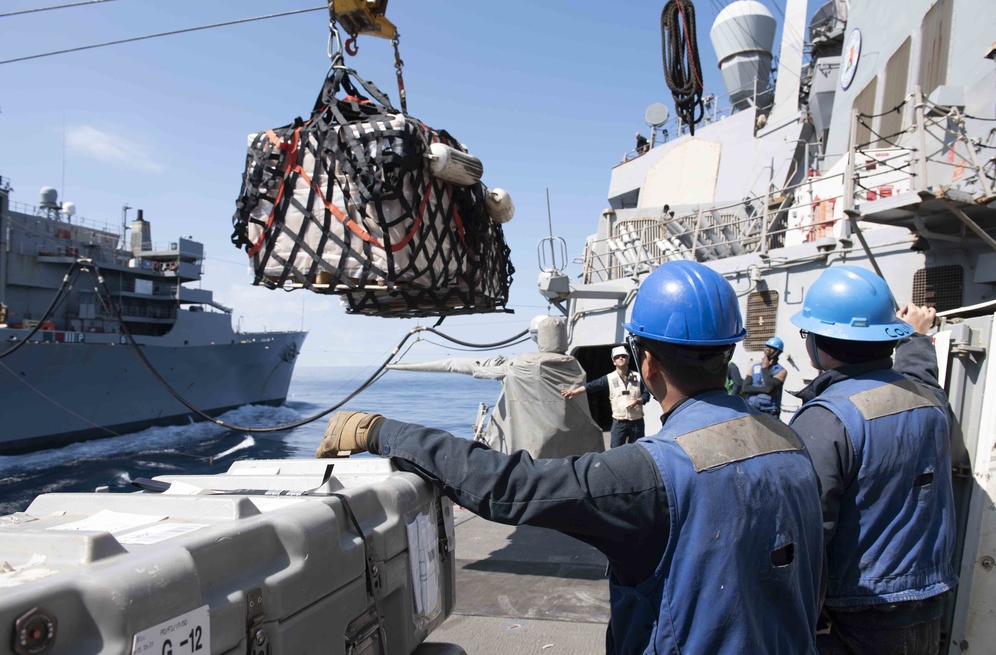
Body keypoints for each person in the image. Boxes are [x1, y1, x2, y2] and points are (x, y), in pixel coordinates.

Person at [316, 261, 824, 654]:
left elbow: (507, 487)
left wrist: (382, 431)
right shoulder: (792, 443)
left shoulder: (651, 474)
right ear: (727, 352)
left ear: (645, 362)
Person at [788, 266, 957, 654]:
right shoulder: (931, 402)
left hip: (855, 614)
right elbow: (923, 376)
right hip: (928, 599)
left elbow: (808, 534)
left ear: (816, 343)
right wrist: (917, 336)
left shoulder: (825, 418)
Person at [387, 316, 605, 458]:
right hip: (577, 447)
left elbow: (454, 364)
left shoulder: (520, 365)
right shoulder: (575, 366)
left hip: (535, 452)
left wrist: (398, 366)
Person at [561, 345, 648, 447]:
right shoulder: (609, 378)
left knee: (637, 448)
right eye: (617, 357)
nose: (620, 358)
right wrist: (573, 392)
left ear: (628, 360)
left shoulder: (638, 377)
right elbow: (592, 386)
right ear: (614, 361)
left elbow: (646, 394)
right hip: (619, 422)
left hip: (636, 421)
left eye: (623, 356)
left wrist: (638, 400)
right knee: (615, 450)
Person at [742, 336, 788, 417]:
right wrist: (765, 390)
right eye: (767, 346)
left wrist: (764, 368)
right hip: (751, 409)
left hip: (768, 411)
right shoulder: (753, 367)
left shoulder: (781, 371)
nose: (768, 349)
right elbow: (745, 388)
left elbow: (769, 387)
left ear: (778, 352)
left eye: (772, 348)